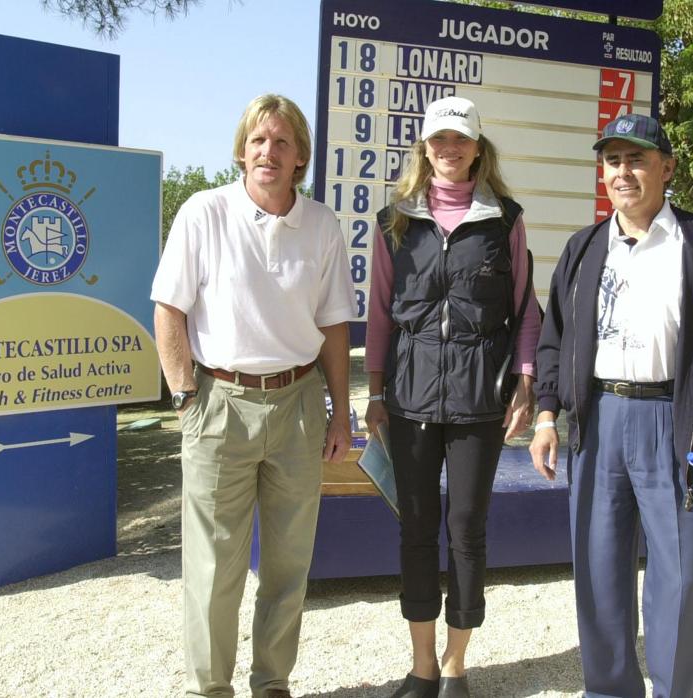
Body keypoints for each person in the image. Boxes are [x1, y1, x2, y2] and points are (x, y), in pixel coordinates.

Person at [528, 113, 693, 698]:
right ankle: (609, 690)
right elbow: (553, 338)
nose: (623, 172)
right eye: (612, 160)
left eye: (636, 159)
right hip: (599, 421)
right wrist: (546, 414)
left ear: (667, 168)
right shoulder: (583, 249)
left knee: (678, 577)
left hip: (675, 422)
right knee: (599, 569)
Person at [151, 94, 355, 698]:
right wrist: (186, 393)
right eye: (259, 140)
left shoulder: (322, 225)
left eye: (283, 142)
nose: (269, 151)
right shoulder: (203, 212)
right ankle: (208, 688)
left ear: (301, 158)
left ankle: (272, 683)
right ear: (241, 151)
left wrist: (340, 412)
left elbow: (335, 326)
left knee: (289, 563)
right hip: (220, 400)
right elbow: (169, 309)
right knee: (214, 568)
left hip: (297, 404)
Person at [364, 95, 541, 698]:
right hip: (410, 401)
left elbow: (525, 308)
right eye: (439, 140)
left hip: (480, 401)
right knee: (416, 528)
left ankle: (457, 664)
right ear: (424, 147)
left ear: (476, 148)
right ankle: (421, 666)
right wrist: (375, 391)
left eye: (460, 140)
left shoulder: (506, 219)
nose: (449, 149)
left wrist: (525, 380)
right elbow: (380, 316)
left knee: (466, 529)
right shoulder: (396, 222)